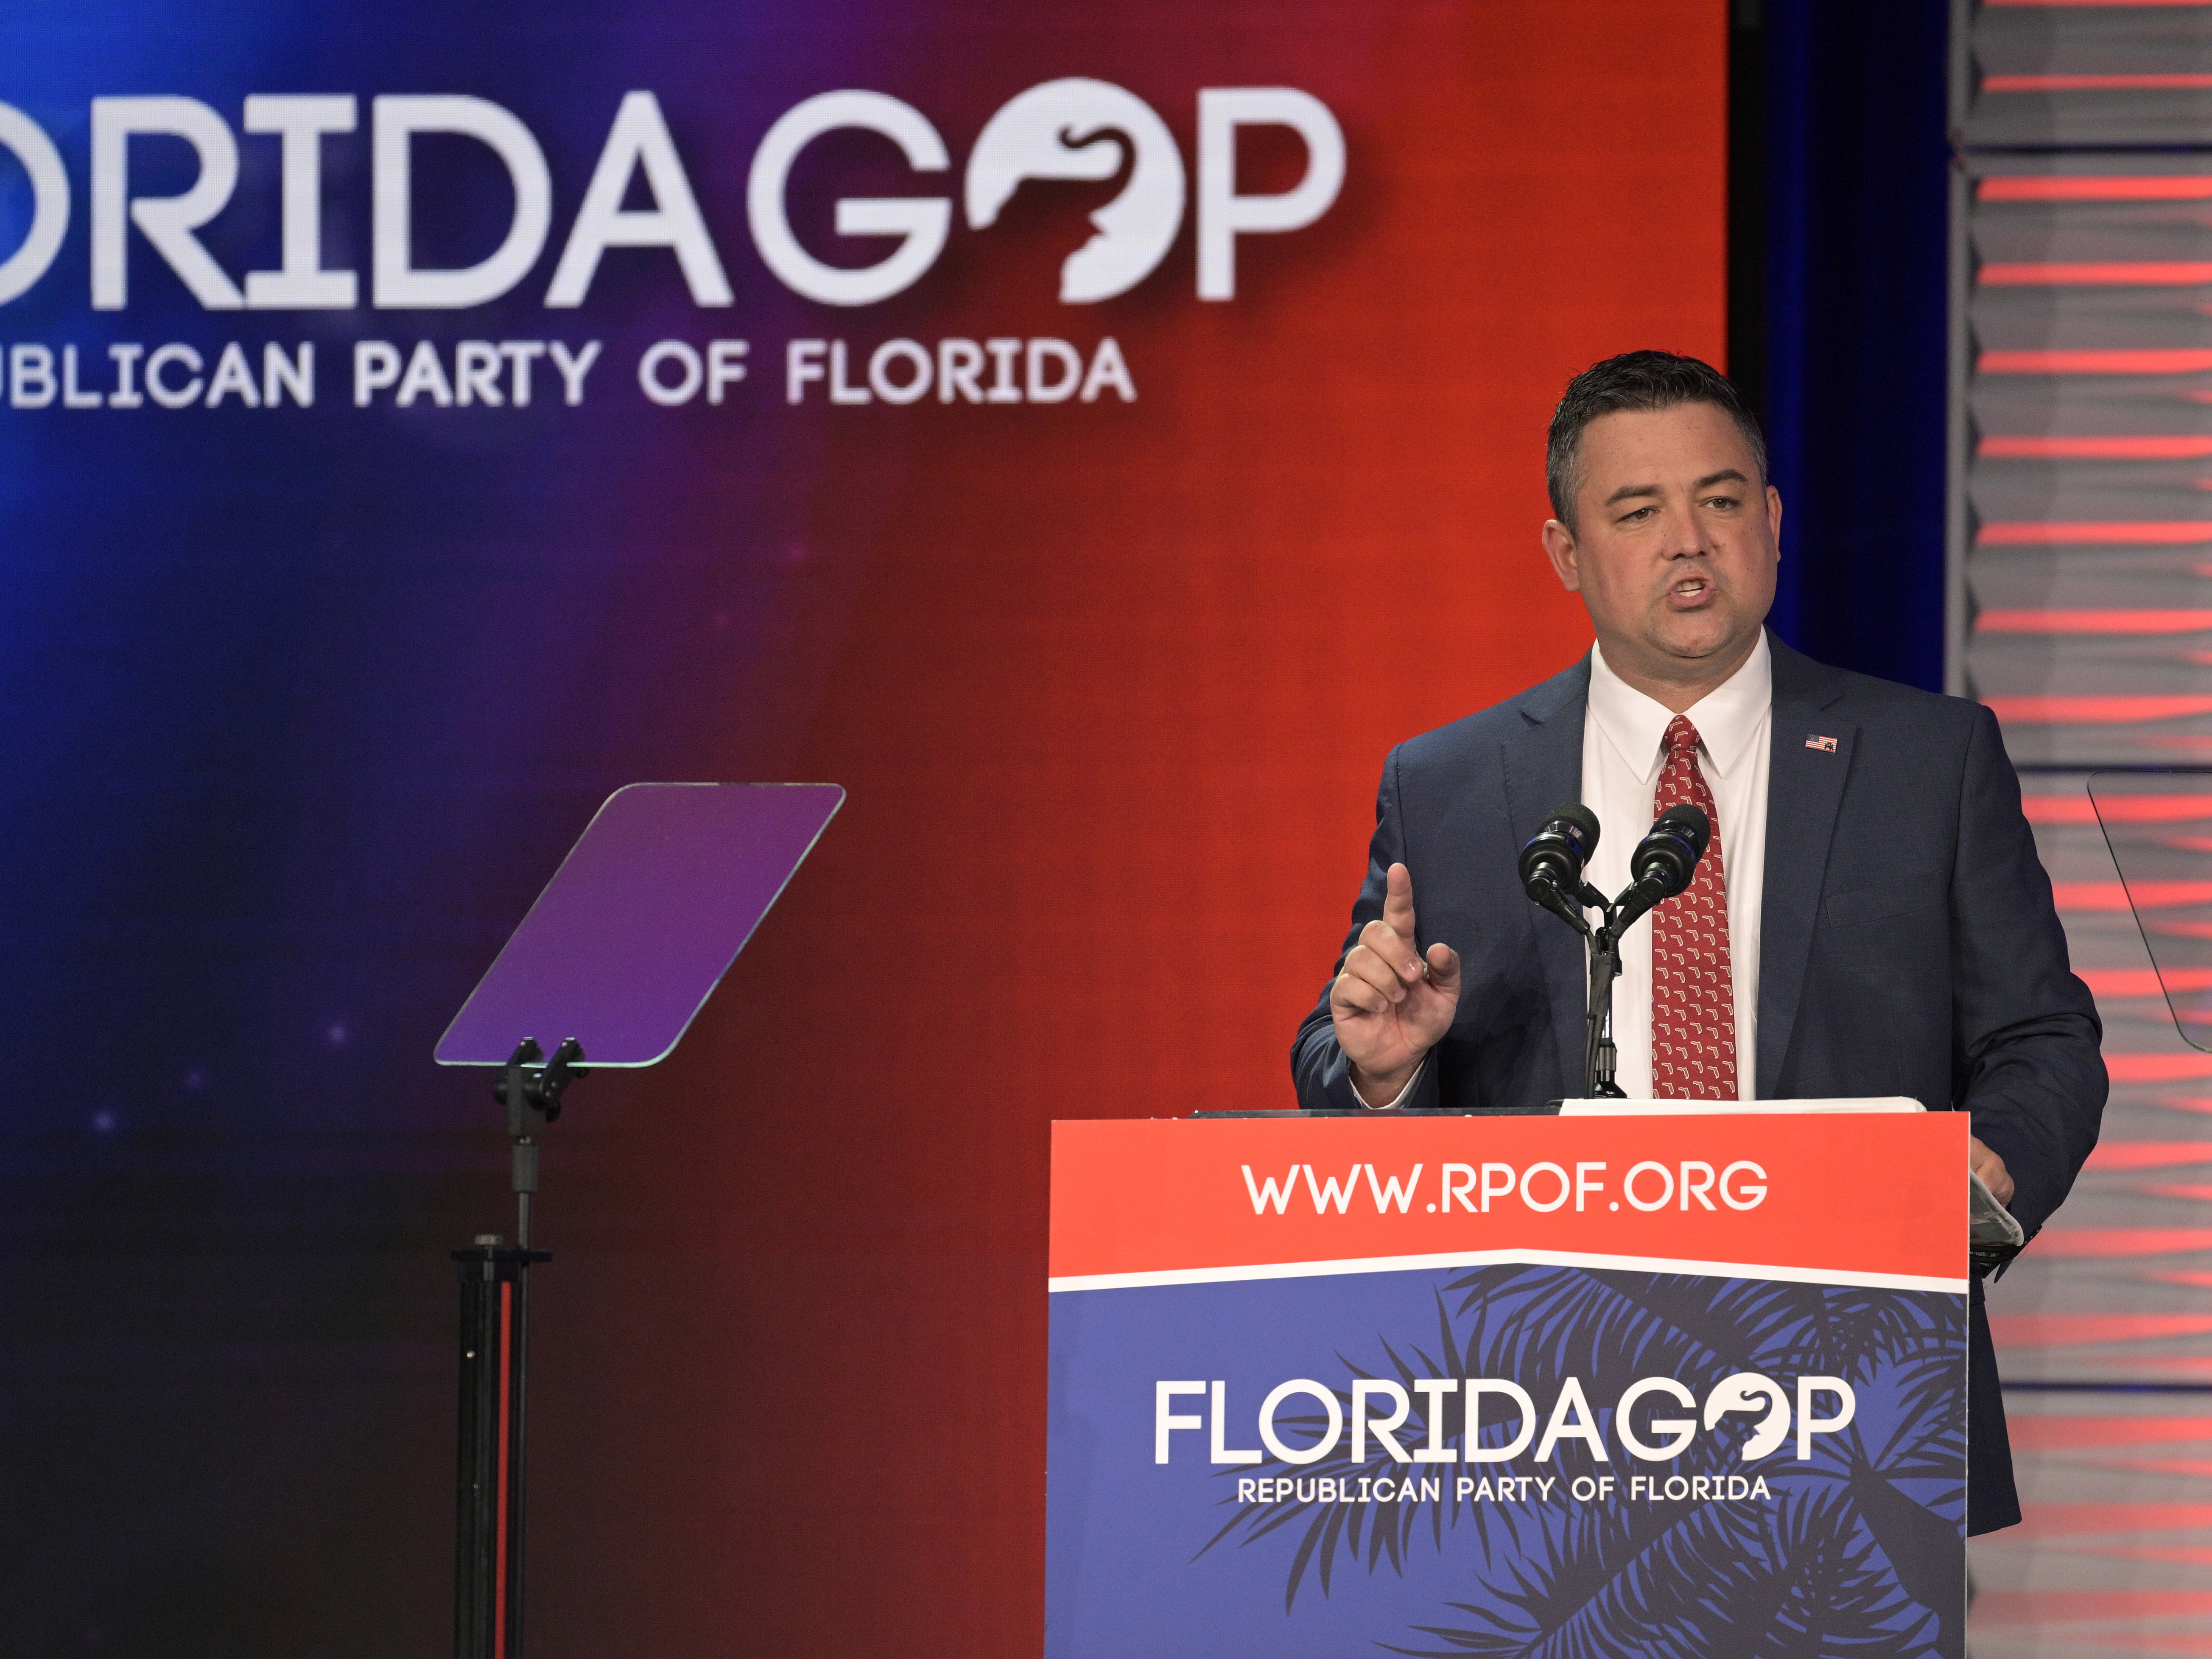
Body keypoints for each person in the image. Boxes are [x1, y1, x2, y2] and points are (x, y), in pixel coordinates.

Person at [1290, 349, 2105, 1533]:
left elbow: (2044, 1038)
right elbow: (1342, 1048)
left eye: (1721, 501)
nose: (1689, 540)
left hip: (1855, 1387)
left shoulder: (1929, 759)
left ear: (1771, 523)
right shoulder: (1451, 784)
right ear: (1566, 554)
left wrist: (1983, 1172)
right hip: (1540, 1412)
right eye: (1638, 511)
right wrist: (1385, 1067)